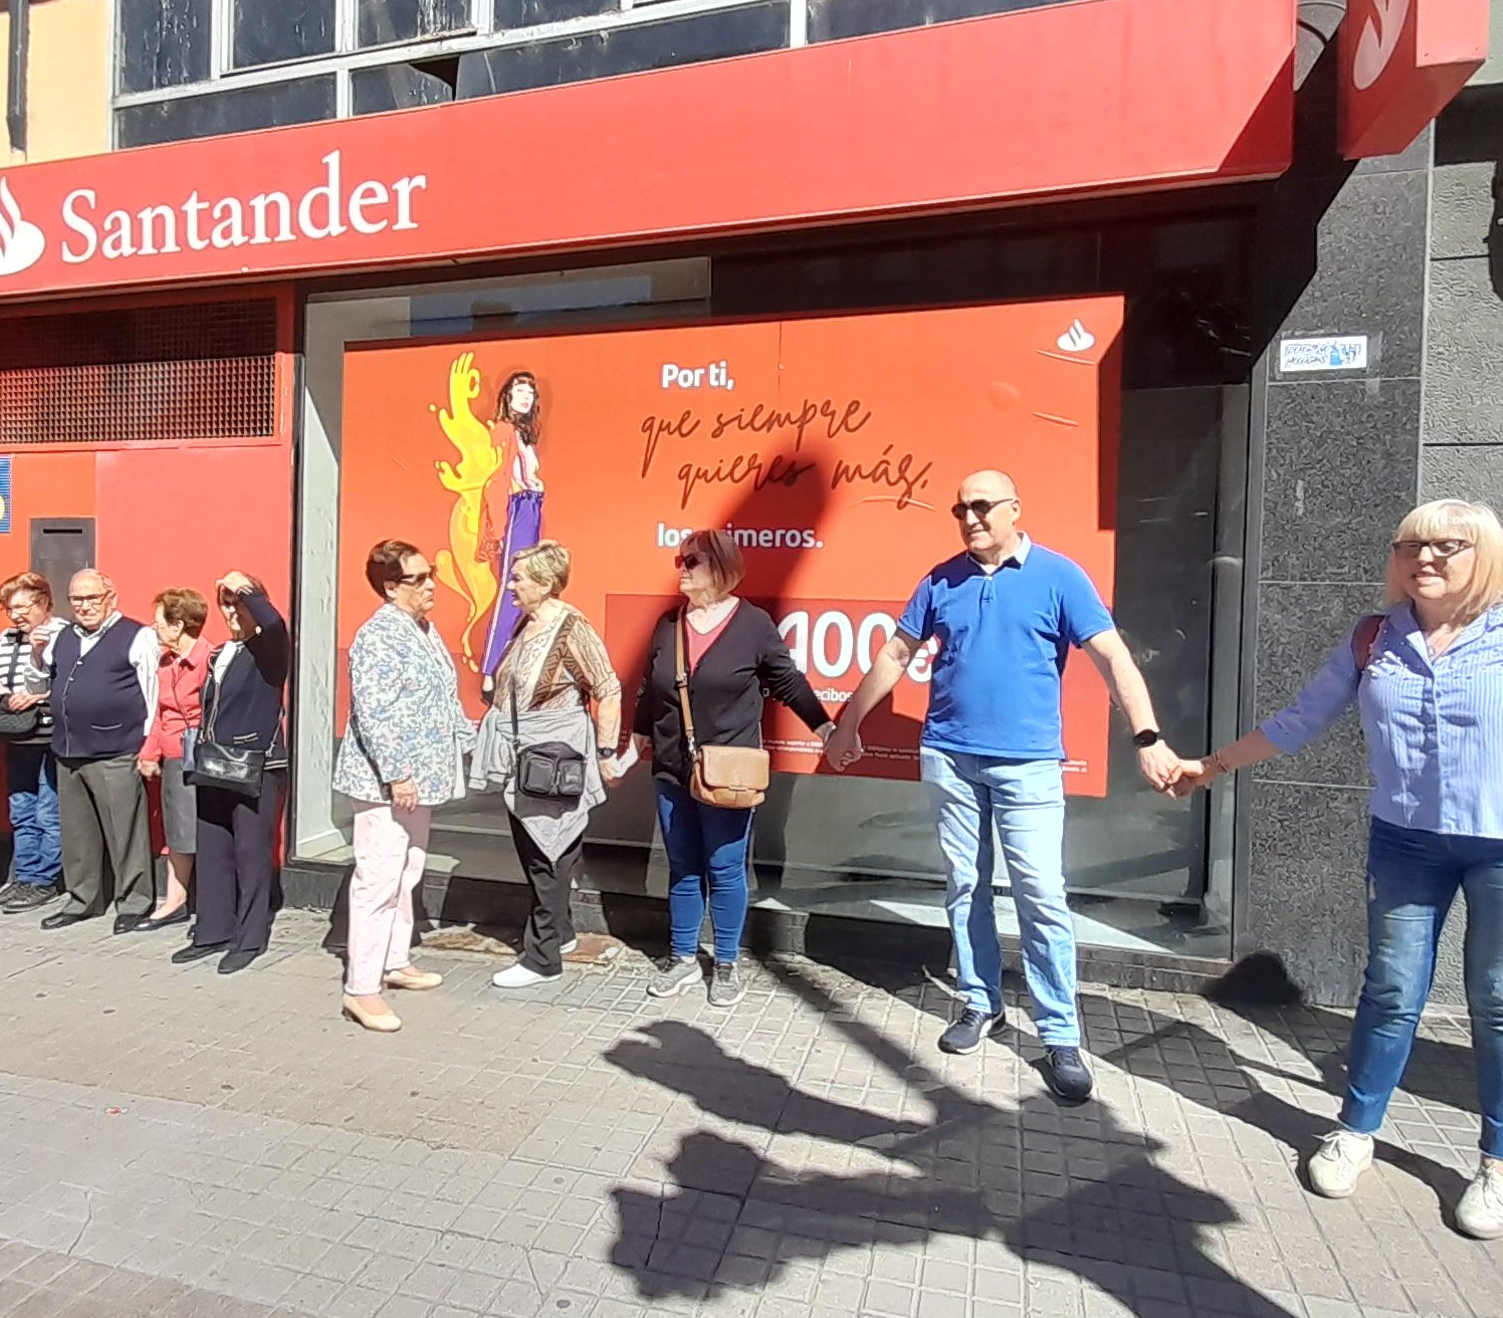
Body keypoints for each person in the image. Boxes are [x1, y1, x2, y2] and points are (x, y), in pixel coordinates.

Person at [1170, 499, 1503, 1240]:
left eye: (1446, 546)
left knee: (1498, 999)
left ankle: (1502, 1164)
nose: (1424, 559)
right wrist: (1210, 767)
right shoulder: (1376, 637)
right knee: (1392, 987)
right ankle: (1356, 1130)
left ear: (1485, 553)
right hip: (1409, 839)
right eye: (1410, 546)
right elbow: (1301, 719)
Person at [826, 471, 1183, 1103]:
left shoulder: (1059, 576)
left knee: (1041, 894)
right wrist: (848, 721)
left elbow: (1112, 657)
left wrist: (1147, 737)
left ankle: (1059, 1033)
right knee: (965, 886)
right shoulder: (940, 580)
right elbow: (894, 654)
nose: (970, 517)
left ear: (1015, 509)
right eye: (960, 508)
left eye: (983, 506)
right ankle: (977, 1001)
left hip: (1029, 767)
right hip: (950, 759)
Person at [622, 530, 833, 1007]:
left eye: (692, 560)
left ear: (720, 568)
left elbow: (788, 681)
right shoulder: (667, 625)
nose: (682, 566)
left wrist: (824, 728)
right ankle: (681, 959)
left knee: (724, 867)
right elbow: (649, 689)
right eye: (680, 558)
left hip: (730, 771)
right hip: (673, 769)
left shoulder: (752, 625)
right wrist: (636, 737)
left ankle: (727, 964)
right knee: (682, 866)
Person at [468, 540, 621, 990]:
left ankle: (543, 958)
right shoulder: (524, 623)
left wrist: (607, 752)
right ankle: (564, 933)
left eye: (518, 578)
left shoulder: (573, 628)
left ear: (546, 583)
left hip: (553, 758)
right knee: (533, 848)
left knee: (549, 852)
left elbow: (608, 688)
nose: (509, 585)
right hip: (522, 754)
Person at [334, 540, 466, 1032]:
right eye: (419, 578)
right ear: (391, 588)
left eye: (430, 574)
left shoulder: (422, 628)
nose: (432, 584)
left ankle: (393, 961)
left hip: (422, 778)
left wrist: (469, 743)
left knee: (407, 871)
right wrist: (397, 773)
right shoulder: (379, 636)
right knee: (378, 879)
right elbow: (375, 712)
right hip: (387, 781)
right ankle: (361, 988)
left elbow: (442, 697)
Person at [176, 572, 291, 975]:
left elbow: (273, 623)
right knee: (214, 847)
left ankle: (251, 936)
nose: (232, 611)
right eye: (225, 604)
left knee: (250, 852)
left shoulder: (269, 648)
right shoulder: (221, 653)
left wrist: (247, 589)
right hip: (213, 763)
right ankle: (213, 929)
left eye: (238, 602)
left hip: (255, 763)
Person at [44, 569, 161, 933]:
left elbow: (152, 694)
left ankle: (134, 902)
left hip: (116, 750)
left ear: (111, 598)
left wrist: (148, 747)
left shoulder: (137, 636)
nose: (84, 606)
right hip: (68, 749)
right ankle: (83, 900)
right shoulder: (62, 636)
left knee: (124, 833)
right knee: (77, 834)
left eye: (92, 598)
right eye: (77, 599)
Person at [0, 573, 65, 913]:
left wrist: (36, 696)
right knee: (21, 809)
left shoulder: (64, 634)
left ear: (44, 602)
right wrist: (1, 693)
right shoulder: (6, 638)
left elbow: (69, 683)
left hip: (49, 736)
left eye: (21, 606)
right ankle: (25, 875)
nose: (15, 615)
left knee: (49, 811)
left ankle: (45, 880)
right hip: (17, 736)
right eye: (9, 608)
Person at [137, 586, 214, 931]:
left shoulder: (208, 660)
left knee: (205, 831)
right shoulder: (166, 662)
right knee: (177, 832)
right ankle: (175, 899)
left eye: (159, 622)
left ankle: (211, 901)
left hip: (203, 759)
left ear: (178, 624)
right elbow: (161, 714)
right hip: (173, 757)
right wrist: (150, 752)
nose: (153, 628)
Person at [477, 370, 547, 698]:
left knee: (530, 586)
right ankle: (490, 668)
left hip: (531, 507)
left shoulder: (523, 434)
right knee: (511, 589)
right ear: (507, 395)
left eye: (530, 393)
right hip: (516, 509)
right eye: (519, 390)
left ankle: (510, 664)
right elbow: (496, 481)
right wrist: (499, 527)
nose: (525, 397)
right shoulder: (503, 431)